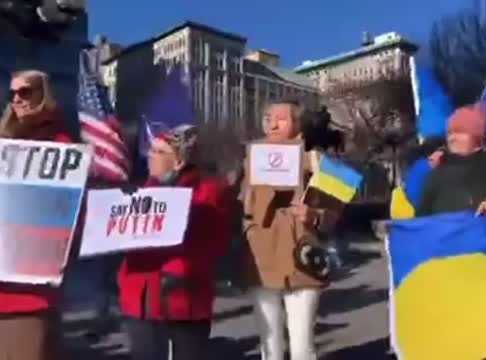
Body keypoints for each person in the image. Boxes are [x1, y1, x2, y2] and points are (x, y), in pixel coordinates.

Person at [117, 124, 229, 360]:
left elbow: (215, 243)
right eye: (151, 149)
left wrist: (185, 217)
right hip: (141, 297)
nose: (149, 155)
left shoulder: (208, 192)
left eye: (158, 152)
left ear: (178, 161)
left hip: (183, 297)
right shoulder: (140, 192)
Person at [241, 99, 338, 360]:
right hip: (261, 258)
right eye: (267, 117)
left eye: (281, 118)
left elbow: (335, 211)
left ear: (297, 125)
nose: (272, 123)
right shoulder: (250, 159)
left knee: (301, 348)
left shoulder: (316, 159)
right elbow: (238, 206)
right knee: (269, 345)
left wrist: (314, 215)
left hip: (302, 259)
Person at [0, 70, 72, 360]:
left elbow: (67, 216)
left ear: (43, 94)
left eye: (25, 91)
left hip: (28, 295)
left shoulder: (60, 146)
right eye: (12, 93)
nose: (17, 99)